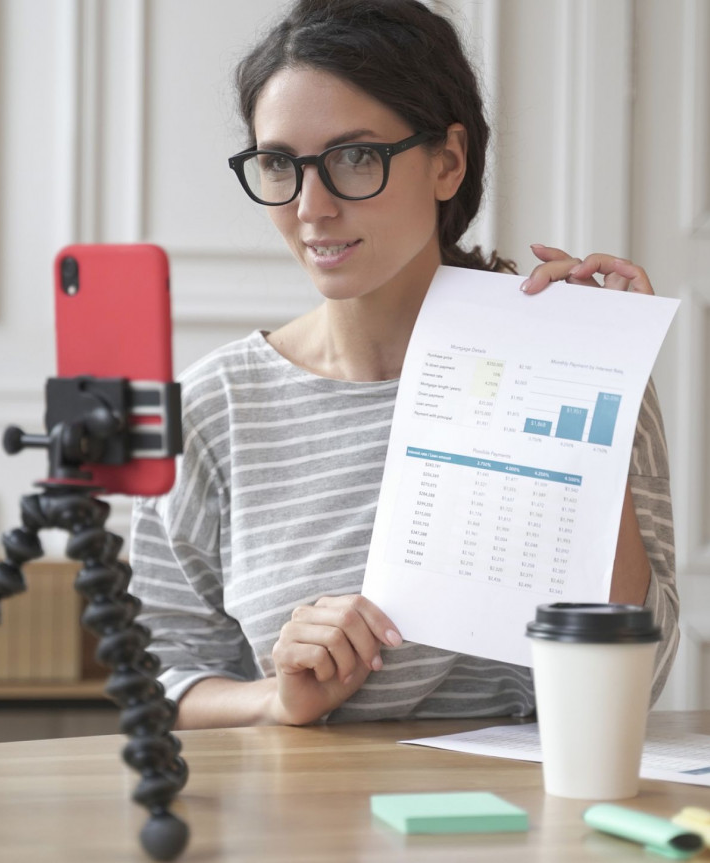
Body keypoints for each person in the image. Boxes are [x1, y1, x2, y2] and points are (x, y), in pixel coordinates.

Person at [129, 0, 678, 729]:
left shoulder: (572, 370)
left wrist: (586, 382)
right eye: (279, 164)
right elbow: (155, 681)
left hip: (525, 826)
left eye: (355, 157)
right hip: (302, 833)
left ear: (447, 161)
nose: (311, 207)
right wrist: (279, 697)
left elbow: (639, 675)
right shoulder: (211, 408)